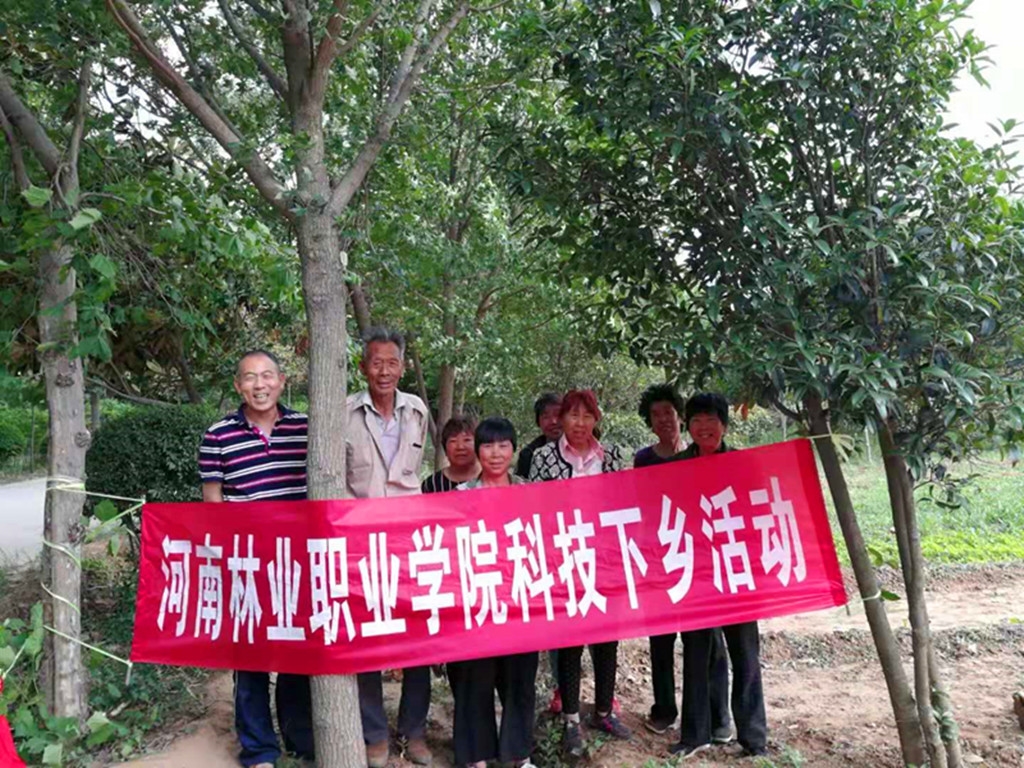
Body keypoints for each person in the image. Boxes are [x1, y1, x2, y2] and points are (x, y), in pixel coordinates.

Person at [198, 350, 313, 768]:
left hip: (297, 563)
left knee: (297, 653)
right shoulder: (218, 435)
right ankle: (260, 750)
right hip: (245, 563)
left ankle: (300, 741)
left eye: (267, 376)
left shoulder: (306, 427)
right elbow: (213, 504)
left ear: (282, 381)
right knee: (250, 658)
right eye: (250, 377)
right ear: (238, 386)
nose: (259, 385)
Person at [346, 327, 432, 768]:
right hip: (360, 545)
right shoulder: (343, 413)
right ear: (363, 367)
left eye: (392, 363)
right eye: (376, 362)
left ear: (401, 367)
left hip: (409, 541)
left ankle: (413, 731)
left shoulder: (416, 410)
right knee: (367, 637)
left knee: (419, 636)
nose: (384, 371)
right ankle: (374, 734)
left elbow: (415, 471)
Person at [528, 389, 631, 756]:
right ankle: (571, 718)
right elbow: (535, 508)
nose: (580, 423)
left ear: (596, 420)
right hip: (565, 561)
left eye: (587, 416)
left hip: (605, 560)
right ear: (562, 420)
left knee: (606, 638)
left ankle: (604, 711)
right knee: (570, 640)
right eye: (573, 415)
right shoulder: (543, 458)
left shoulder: (612, 456)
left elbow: (625, 503)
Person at [671, 392, 768, 760]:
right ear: (688, 426)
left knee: (745, 656)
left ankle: (754, 738)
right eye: (696, 421)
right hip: (695, 575)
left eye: (711, 420)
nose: (704, 428)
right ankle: (695, 735)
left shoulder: (743, 464)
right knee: (696, 654)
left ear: (724, 425)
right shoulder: (677, 466)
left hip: (736, 573)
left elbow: (759, 515)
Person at [634, 385, 733, 743]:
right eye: (655, 414)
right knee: (661, 639)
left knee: (710, 641)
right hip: (661, 557)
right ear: (649, 421)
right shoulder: (643, 460)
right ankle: (664, 710)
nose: (663, 419)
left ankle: (719, 717)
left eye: (668, 412)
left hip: (703, 561)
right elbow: (641, 508)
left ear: (680, 416)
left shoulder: (703, 453)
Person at [446, 417, 538, 768]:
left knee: (520, 679)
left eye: (503, 446)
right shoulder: (460, 496)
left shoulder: (532, 492)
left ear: (514, 449)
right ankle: (476, 756)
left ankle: (518, 755)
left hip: (521, 601)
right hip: (476, 602)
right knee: (474, 678)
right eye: (487, 446)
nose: (495, 454)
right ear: (477, 451)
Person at [421, 416, 479, 493]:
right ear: (445, 447)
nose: (460, 447)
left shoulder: (492, 479)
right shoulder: (431, 485)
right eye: (453, 441)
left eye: (467, 440)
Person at [515, 392, 562, 478]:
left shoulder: (585, 448)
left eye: (558, 415)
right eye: (546, 417)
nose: (553, 421)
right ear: (538, 422)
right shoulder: (528, 454)